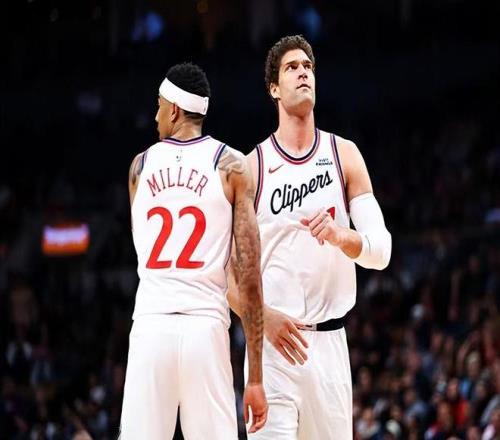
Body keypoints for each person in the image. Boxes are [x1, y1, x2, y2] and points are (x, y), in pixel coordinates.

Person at [228, 35, 392, 439]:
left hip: (330, 344)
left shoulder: (344, 154)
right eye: (291, 67)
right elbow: (226, 276)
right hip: (272, 349)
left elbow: (381, 251)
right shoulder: (252, 167)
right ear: (273, 88)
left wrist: (341, 236)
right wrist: (261, 317)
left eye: (308, 67)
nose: (303, 73)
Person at [119, 62, 267, 440]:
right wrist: (255, 377)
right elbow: (250, 278)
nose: (155, 115)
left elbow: (142, 247)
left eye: (158, 106)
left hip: (151, 326)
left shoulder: (139, 168)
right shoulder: (232, 165)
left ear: (172, 110)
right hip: (205, 328)